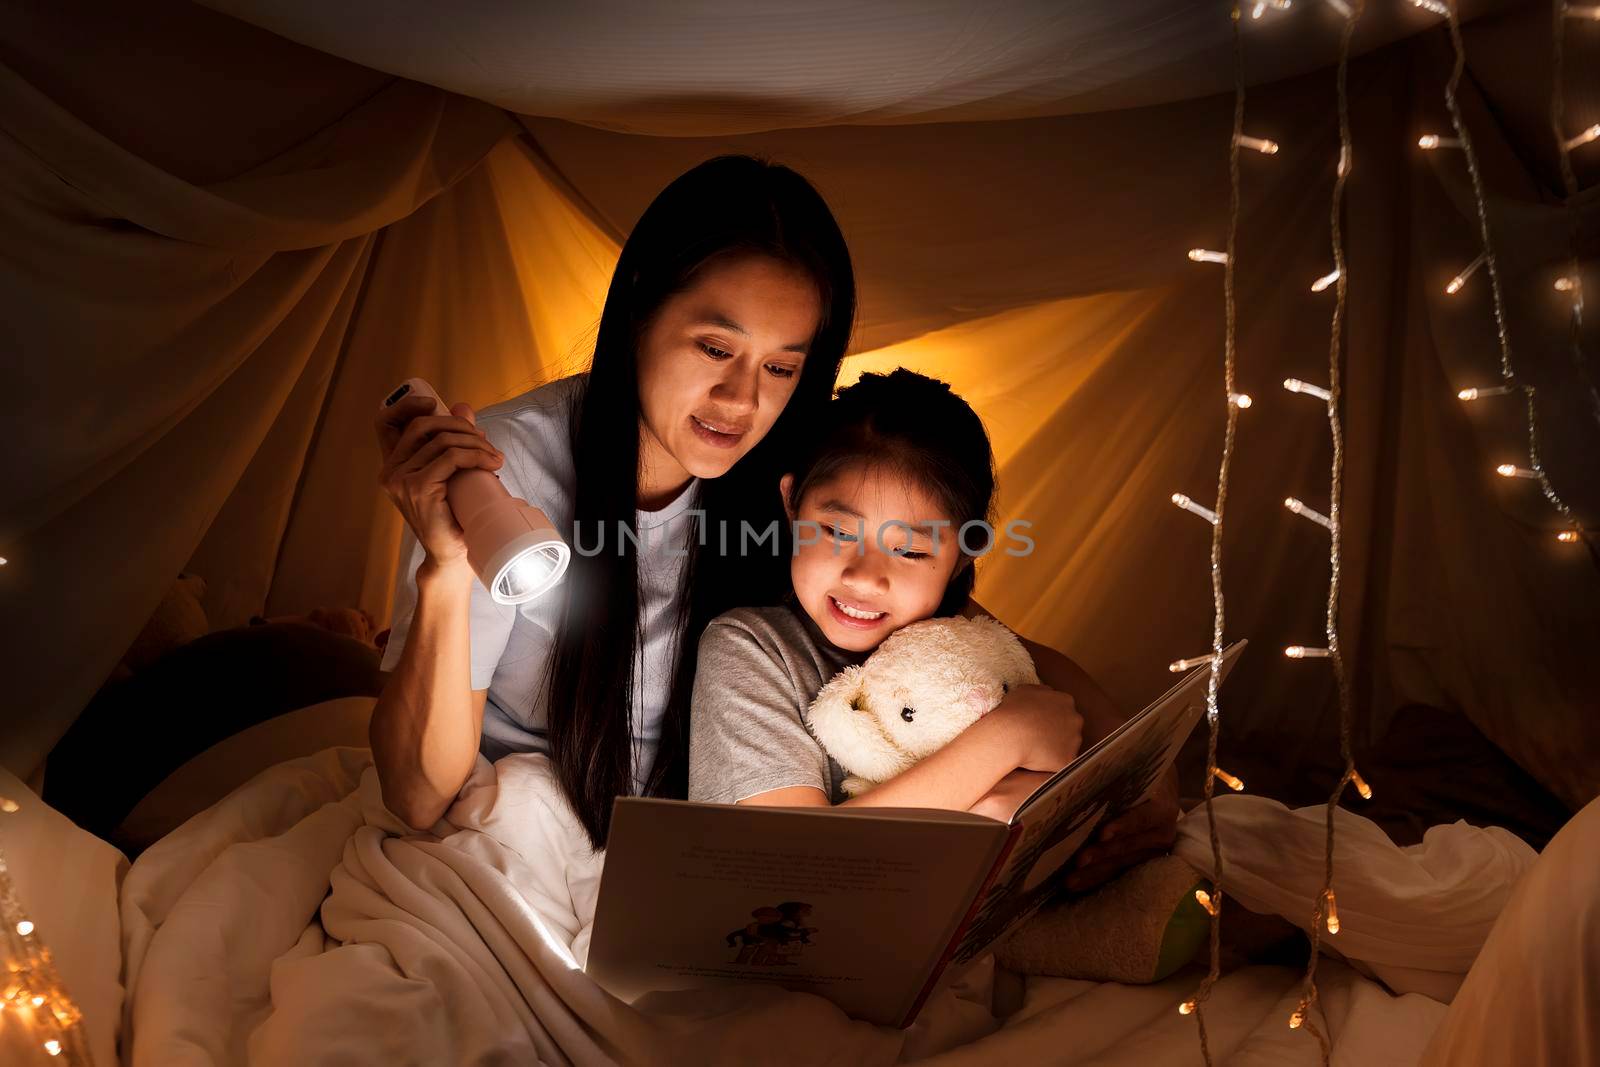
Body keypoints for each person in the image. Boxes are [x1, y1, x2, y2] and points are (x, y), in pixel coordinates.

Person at [687, 369, 1179, 890]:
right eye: (835, 531)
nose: (863, 577)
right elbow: (786, 861)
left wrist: (1159, 798)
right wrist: (1001, 746)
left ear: (964, 551)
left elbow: (1125, 739)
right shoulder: (751, 648)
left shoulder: (958, 631)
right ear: (792, 503)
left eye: (911, 551)